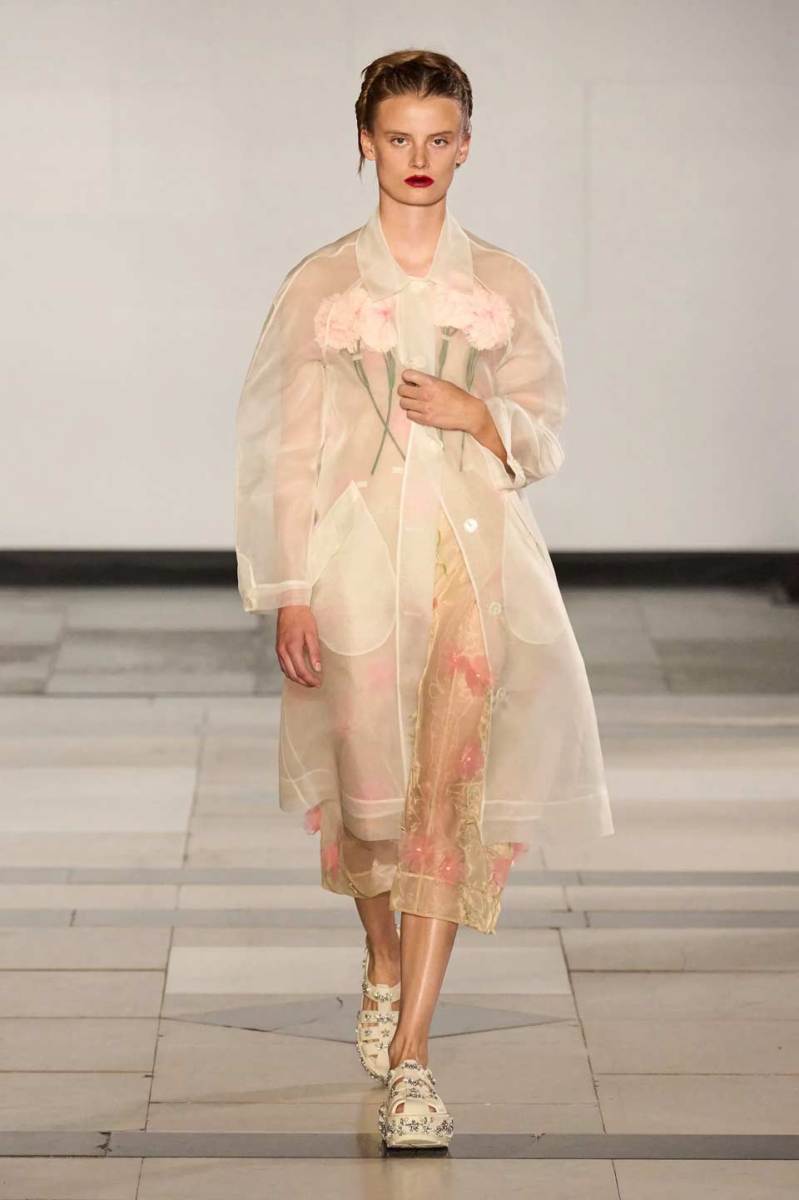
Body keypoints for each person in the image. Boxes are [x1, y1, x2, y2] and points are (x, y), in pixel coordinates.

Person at [234, 48, 615, 1151]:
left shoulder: (504, 283)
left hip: (471, 563)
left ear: (465, 146)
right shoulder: (319, 286)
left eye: (439, 139)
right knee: (371, 802)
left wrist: (478, 413)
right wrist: (289, 592)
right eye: (398, 137)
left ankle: (414, 1059)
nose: (418, 158)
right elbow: (280, 452)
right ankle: (382, 960)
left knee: (450, 795)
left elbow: (545, 428)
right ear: (364, 143)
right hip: (354, 566)